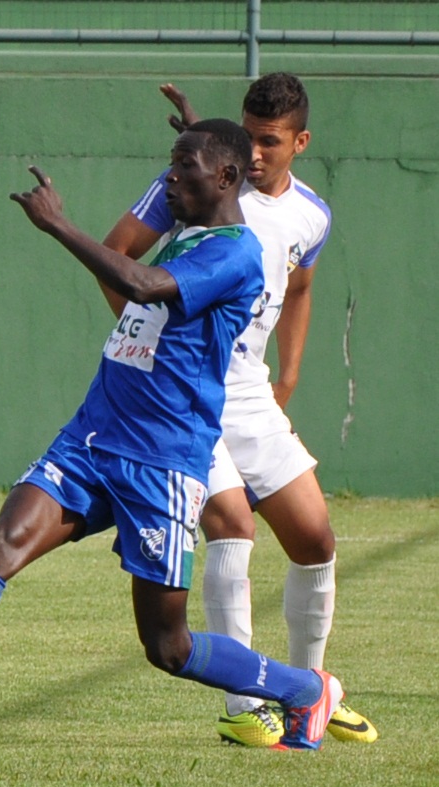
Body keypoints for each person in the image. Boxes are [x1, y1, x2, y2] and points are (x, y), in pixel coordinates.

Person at [0, 119, 344, 750]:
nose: (171, 179)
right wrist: (195, 133)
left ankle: (303, 689)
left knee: (167, 646)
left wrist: (58, 225)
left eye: (185, 169)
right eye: (171, 165)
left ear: (227, 178)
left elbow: (139, 283)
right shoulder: (190, 235)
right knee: (0, 544)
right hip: (94, 439)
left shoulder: (237, 254)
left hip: (163, 462)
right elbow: (155, 261)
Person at [100, 74, 375, 747]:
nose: (254, 153)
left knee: (315, 538)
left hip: (250, 391)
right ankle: (245, 708)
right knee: (229, 523)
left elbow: (300, 283)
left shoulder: (312, 214)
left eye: (269, 141)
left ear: (300, 142)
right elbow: (116, 255)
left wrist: (292, 371)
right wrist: (154, 345)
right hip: (191, 388)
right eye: (246, 137)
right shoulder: (204, 188)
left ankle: (305, 692)